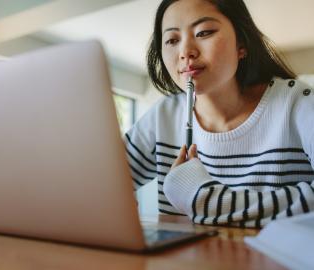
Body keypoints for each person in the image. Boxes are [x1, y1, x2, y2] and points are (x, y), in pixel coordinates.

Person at [124, 0, 314, 228]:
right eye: (172, 40)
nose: (185, 52)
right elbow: (96, 184)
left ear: (241, 43)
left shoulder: (299, 101)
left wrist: (205, 200)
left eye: (204, 32)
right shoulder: (162, 115)